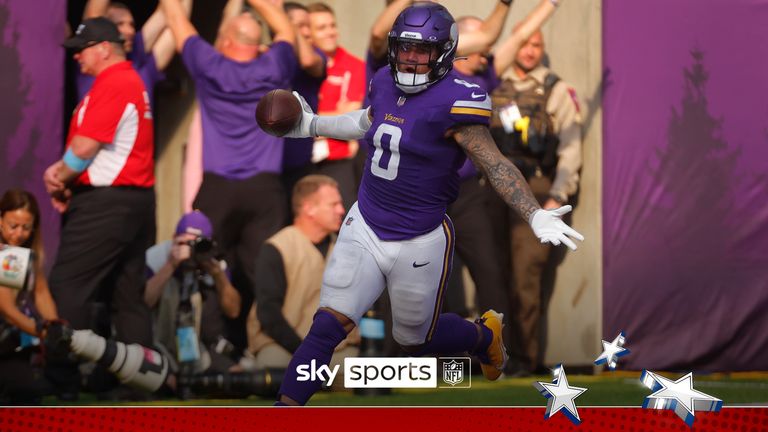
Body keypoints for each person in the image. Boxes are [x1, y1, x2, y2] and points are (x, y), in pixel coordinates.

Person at [268, 3, 583, 406]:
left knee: (415, 341)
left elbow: (494, 162)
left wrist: (534, 211)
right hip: (365, 223)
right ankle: (284, 408)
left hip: (419, 238)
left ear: (446, 53)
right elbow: (369, 122)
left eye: (423, 51)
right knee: (328, 325)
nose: (411, 59)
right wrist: (312, 125)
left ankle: (483, 335)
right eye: (404, 49)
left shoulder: (457, 100)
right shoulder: (383, 81)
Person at [159, 0, 297, 351]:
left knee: (209, 265)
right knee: (263, 272)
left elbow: (175, 16)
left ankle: (212, 345)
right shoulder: (273, 65)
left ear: (228, 41)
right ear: (254, 44)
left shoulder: (210, 64)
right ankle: (274, 344)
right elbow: (285, 30)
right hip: (264, 188)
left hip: (218, 186)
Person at [448, 0, 564, 374]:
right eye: (480, 48)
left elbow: (514, 37)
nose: (487, 55)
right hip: (427, 196)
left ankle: (498, 356)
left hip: (467, 194)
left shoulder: (482, 80)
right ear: (460, 46)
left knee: (491, 276)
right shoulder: (430, 82)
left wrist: (549, 6)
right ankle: (432, 364)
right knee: (433, 283)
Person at [43, 17, 156, 395]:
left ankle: (62, 377)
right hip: (131, 199)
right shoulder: (127, 80)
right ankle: (137, 378)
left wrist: (58, 177)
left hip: (109, 203)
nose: (77, 56)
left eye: (82, 48)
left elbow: (83, 150)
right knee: (126, 294)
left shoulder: (115, 81)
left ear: (104, 48)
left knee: (67, 285)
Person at [487, 3, 582, 374]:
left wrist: (559, 193)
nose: (529, 50)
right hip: (491, 186)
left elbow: (571, 148)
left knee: (527, 276)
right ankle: (492, 356)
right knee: (492, 276)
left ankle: (525, 358)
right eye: (525, 41)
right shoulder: (492, 80)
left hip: (536, 184)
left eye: (536, 44)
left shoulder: (555, 88)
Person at [246, 175, 357, 369]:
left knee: (369, 376)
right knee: (275, 371)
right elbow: (268, 313)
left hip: (337, 349)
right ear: (309, 209)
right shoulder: (278, 247)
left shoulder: (345, 247)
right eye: (334, 204)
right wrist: (306, 354)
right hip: (285, 346)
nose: (341, 210)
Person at [145, 211, 242, 374]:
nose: (191, 251)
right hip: (159, 339)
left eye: (198, 244)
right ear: (174, 237)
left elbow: (233, 311)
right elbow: (145, 303)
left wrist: (218, 276)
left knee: (235, 377)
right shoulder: (157, 257)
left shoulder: (214, 263)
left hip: (198, 343)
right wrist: (170, 265)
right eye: (186, 243)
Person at [0, 190, 59, 404]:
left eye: (26, 227)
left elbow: (41, 293)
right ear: (0, 220)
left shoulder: (28, 256)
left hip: (7, 346)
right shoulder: (8, 256)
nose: (19, 233)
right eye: (13, 225)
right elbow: (7, 310)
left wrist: (55, 325)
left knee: (28, 396)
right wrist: (43, 332)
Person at [307, 2, 366, 211]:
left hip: (339, 163)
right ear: (308, 33)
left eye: (332, 25)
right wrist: (336, 117)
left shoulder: (356, 66)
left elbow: (353, 122)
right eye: (322, 28)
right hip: (302, 161)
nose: (331, 32)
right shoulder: (300, 66)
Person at [76, 0, 192, 104]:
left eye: (132, 25)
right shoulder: (91, 66)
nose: (130, 31)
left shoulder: (143, 71)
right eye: (119, 24)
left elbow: (177, 23)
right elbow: (93, 14)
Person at [281, 1, 327, 219]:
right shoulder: (269, 58)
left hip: (299, 167)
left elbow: (309, 61)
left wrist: (288, 25)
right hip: (267, 171)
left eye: (308, 25)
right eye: (300, 26)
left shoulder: (317, 56)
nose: (307, 32)